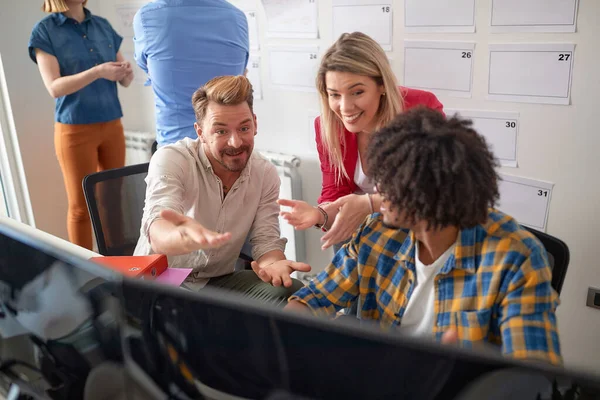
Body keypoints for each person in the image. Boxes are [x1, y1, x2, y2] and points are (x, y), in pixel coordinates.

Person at [285, 107, 562, 365]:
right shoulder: (375, 231)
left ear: (430, 195)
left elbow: (531, 375)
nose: (378, 193)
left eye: (392, 184)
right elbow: (317, 297)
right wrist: (281, 329)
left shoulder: (517, 257)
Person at [133, 75, 309, 305]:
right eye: (221, 131)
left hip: (215, 282)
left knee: (294, 293)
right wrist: (179, 237)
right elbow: (158, 226)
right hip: (160, 282)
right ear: (200, 132)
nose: (235, 143)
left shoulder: (265, 173)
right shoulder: (172, 158)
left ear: (255, 124)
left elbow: (266, 240)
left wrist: (272, 264)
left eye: (244, 128)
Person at [278, 32, 444, 251]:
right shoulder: (327, 126)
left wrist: (369, 204)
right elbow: (335, 193)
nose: (345, 107)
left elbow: (436, 190)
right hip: (365, 231)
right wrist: (319, 215)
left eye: (357, 92)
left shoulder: (421, 109)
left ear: (382, 85)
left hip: (418, 229)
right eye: (334, 95)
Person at [29, 0, 133, 250]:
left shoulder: (102, 25)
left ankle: (119, 267)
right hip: (74, 130)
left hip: (112, 124)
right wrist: (97, 71)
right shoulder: (44, 31)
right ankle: (83, 276)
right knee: (80, 208)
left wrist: (126, 72)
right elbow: (54, 87)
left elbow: (125, 81)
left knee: (113, 202)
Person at [133, 0, 249, 147]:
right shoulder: (237, 17)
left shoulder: (148, 16)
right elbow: (241, 74)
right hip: (229, 146)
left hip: (175, 148)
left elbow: (147, 67)